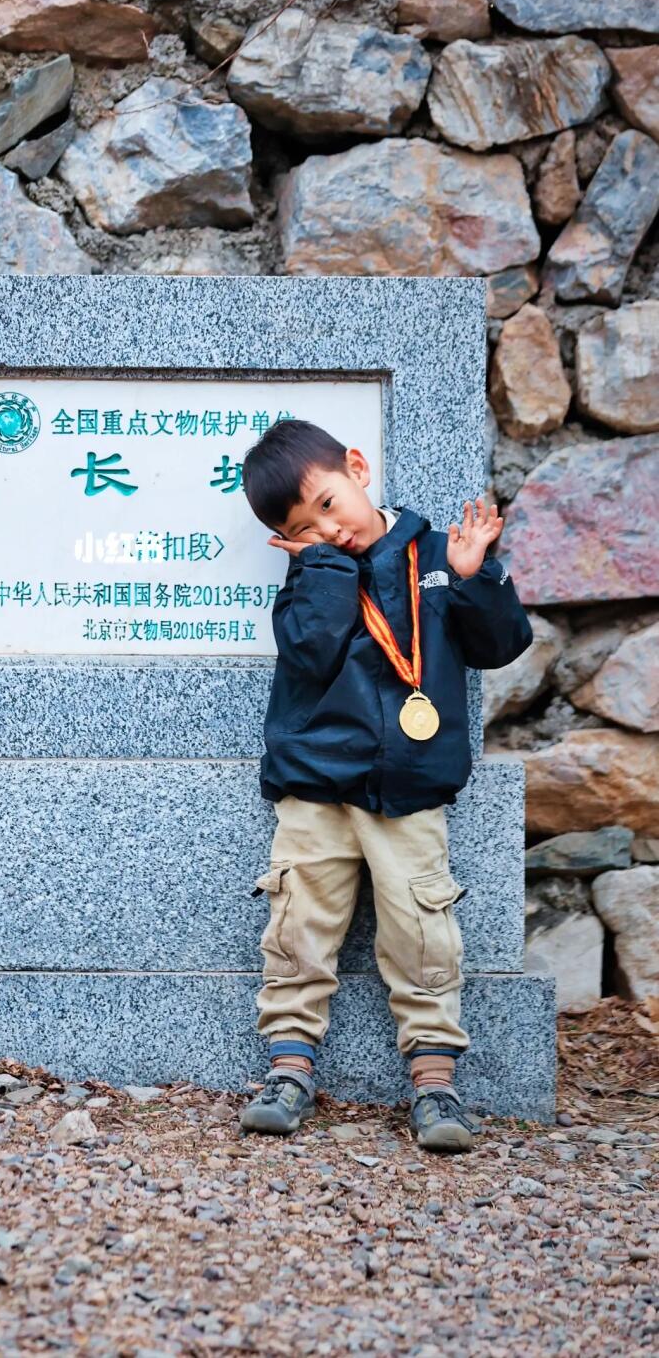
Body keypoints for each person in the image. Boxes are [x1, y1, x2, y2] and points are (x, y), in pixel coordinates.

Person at [236, 419, 533, 1153]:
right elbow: (311, 653)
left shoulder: (437, 554)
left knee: (422, 930)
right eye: (306, 526)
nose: (329, 529)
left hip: (410, 785)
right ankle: (289, 1070)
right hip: (315, 784)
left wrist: (476, 578)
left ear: (359, 468)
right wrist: (325, 568)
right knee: (298, 921)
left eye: (331, 504)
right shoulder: (310, 576)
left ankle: (435, 1081)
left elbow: (502, 645)